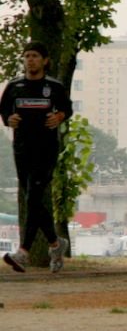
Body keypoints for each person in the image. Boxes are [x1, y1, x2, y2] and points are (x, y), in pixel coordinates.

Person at [0, 41, 72, 273]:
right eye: (27, 56)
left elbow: (67, 109)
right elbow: (4, 111)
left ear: (45, 61)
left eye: (35, 56)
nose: (30, 60)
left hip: (46, 149)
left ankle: (23, 253)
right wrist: (9, 120)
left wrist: (59, 116)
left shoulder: (54, 87)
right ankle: (55, 243)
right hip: (22, 149)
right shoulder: (14, 86)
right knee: (32, 198)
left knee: (33, 198)